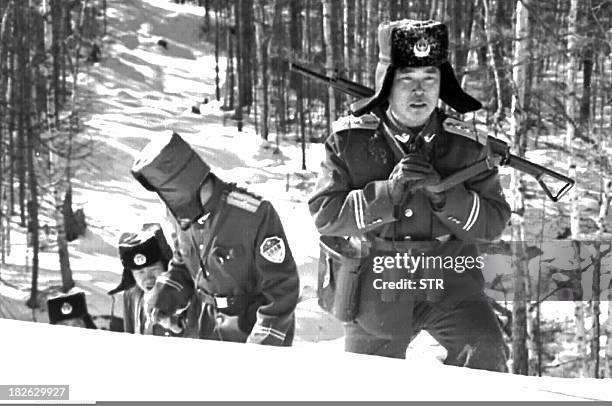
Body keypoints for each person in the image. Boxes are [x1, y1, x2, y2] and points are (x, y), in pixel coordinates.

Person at [308, 19, 511, 371]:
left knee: (487, 352)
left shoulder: (467, 146)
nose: (420, 91)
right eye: (407, 79)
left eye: (429, 78)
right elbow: (325, 214)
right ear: (387, 82)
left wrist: (444, 195)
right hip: (376, 281)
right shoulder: (349, 141)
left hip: (450, 276)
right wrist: (387, 194)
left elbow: (493, 223)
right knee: (365, 386)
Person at [131, 132, 299, 345]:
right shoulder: (182, 215)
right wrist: (163, 296)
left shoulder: (253, 215)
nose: (167, 204)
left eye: (167, 194)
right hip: (204, 327)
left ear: (182, 185)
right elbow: (184, 263)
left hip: (250, 327)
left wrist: (263, 344)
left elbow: (283, 286)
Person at [108, 223, 198, 336]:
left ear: (166, 265)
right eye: (140, 272)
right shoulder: (132, 295)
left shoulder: (186, 294)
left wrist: (176, 328)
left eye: (153, 268)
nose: (148, 278)